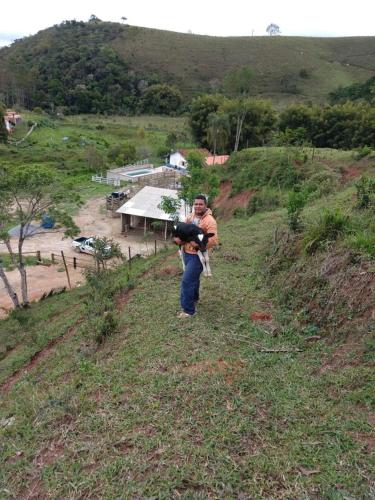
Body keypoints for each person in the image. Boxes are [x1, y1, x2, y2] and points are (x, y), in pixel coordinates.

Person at [174, 194, 218, 318]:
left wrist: (198, 245)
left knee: (187, 281)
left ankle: (188, 310)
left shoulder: (210, 221)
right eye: (196, 204)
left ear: (206, 206)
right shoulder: (190, 216)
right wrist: (178, 239)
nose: (198, 206)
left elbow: (213, 239)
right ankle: (194, 299)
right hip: (186, 253)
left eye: (200, 204)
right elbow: (182, 230)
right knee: (193, 280)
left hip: (197, 256)